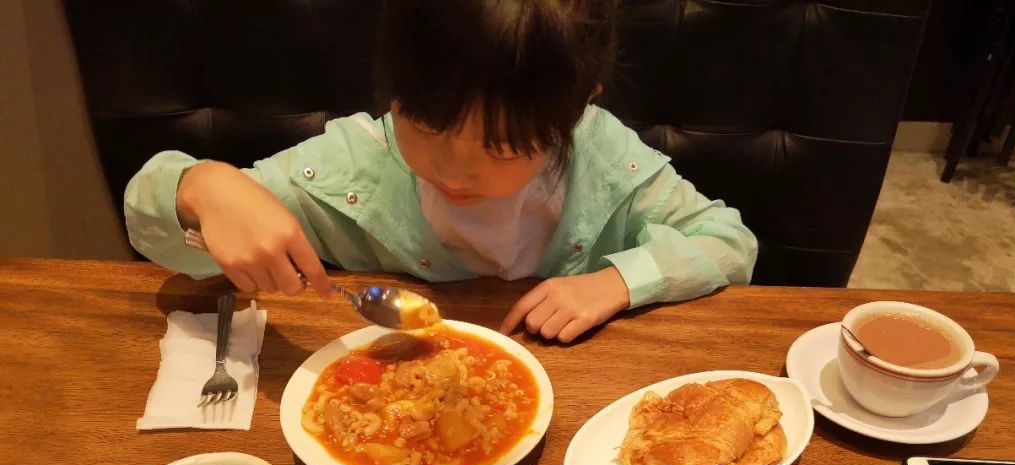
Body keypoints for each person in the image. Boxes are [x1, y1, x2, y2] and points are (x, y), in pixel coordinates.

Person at [124, 0, 757, 343]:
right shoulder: (350, 166)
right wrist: (199, 189)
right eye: (425, 123)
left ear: (573, 112)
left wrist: (614, 282)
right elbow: (155, 234)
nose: (453, 168)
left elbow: (731, 243)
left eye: (504, 148)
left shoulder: (606, 161)